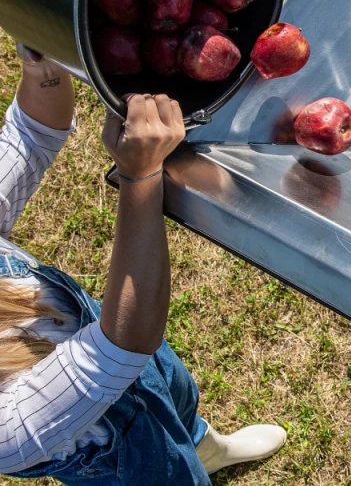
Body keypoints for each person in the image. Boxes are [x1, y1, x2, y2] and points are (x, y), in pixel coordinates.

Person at [0, 44, 286, 484]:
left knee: (176, 392)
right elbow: (119, 347)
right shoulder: (6, 433)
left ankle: (205, 446)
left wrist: (44, 67)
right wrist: (140, 175)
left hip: (121, 345)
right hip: (122, 454)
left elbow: (30, 134)